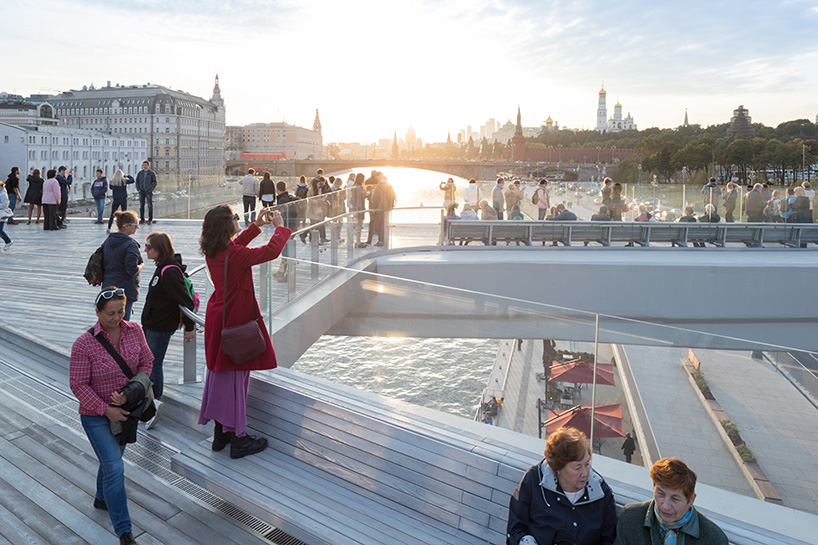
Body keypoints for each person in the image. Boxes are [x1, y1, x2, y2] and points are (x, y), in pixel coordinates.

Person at [198, 205, 291, 459]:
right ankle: (239, 437)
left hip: (219, 316)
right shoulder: (235, 255)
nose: (240, 219)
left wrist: (256, 227)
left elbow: (235, 246)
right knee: (237, 377)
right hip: (236, 317)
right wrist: (280, 228)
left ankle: (221, 433)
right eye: (235, 218)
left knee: (220, 374)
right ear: (226, 226)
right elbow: (271, 251)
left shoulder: (215, 251)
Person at [69, 287, 154, 545]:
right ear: (97, 312)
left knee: (111, 461)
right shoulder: (84, 344)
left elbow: (147, 362)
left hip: (126, 412)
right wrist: (108, 410)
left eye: (120, 311)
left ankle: (100, 498)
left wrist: (129, 394)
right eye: (110, 314)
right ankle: (124, 532)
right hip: (96, 416)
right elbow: (78, 385)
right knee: (115, 467)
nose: (116, 317)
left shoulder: (135, 331)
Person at [507, 426, 617, 545]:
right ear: (558, 468)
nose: (585, 473)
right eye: (577, 468)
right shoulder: (534, 480)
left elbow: (609, 539)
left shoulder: (601, 492)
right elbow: (516, 529)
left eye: (587, 464)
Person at [140, 232, 195, 429]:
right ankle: (150, 399)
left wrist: (190, 327)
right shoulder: (162, 267)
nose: (145, 250)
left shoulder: (169, 271)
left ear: (160, 249)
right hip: (153, 323)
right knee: (148, 361)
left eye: (148, 246)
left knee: (154, 363)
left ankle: (155, 403)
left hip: (160, 326)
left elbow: (185, 300)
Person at [613, 457, 728, 545]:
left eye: (675, 498)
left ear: (691, 500)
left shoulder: (715, 540)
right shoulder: (629, 518)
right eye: (660, 494)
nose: (665, 506)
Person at [103, 211, 144, 321]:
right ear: (126, 226)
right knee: (122, 321)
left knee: (110, 320)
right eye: (136, 225)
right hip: (124, 289)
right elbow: (132, 269)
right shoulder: (130, 245)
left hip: (108, 286)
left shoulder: (108, 241)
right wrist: (141, 266)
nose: (137, 228)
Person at [275, 181, 299, 280]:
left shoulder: (282, 200)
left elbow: (281, 215)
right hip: (293, 227)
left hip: (285, 227)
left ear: (277, 189)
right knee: (288, 250)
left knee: (285, 251)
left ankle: (285, 274)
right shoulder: (290, 197)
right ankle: (285, 272)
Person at [369, 172, 396, 246]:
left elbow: (376, 199)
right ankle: (385, 239)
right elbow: (394, 196)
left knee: (380, 224)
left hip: (380, 208)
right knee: (385, 223)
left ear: (378, 178)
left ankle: (381, 241)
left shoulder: (378, 187)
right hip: (388, 207)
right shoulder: (389, 186)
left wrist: (374, 208)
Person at [135, 160, 157, 225]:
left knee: (150, 206)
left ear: (148, 165)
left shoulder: (151, 173)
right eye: (144, 165)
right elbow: (137, 181)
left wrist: (151, 189)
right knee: (142, 206)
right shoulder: (140, 173)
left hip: (148, 191)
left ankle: (150, 220)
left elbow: (155, 182)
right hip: (141, 191)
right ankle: (142, 219)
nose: (144, 166)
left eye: (146, 165)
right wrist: (138, 189)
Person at [0, 179, 13, 250]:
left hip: (1, 214)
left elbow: (5, 205)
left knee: (0, 230)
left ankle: (8, 241)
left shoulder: (3, 194)